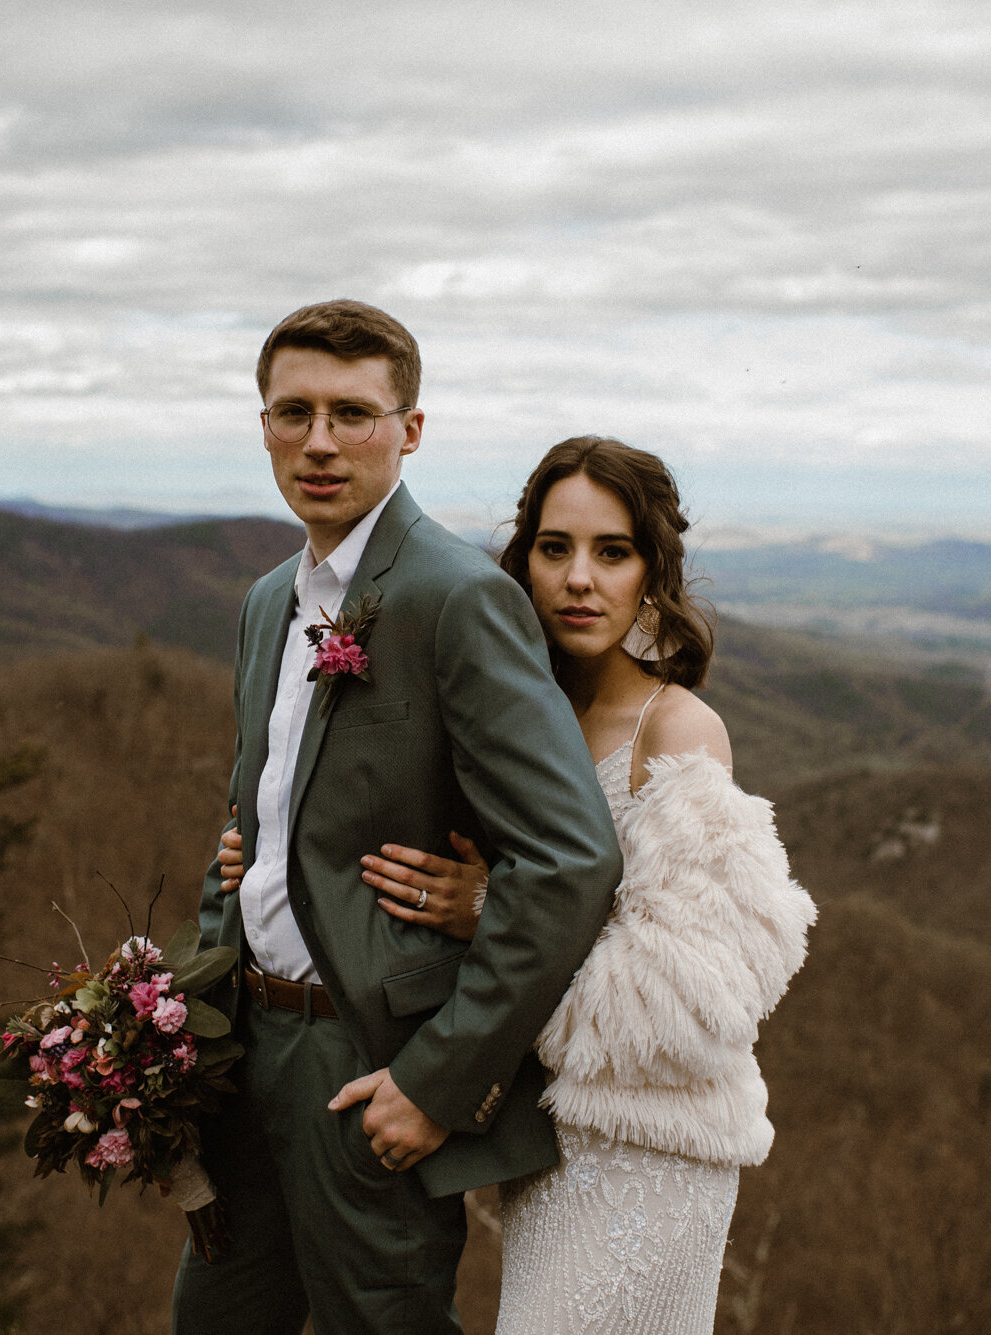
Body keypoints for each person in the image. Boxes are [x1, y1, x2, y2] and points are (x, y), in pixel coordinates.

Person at [220, 436, 815, 1333]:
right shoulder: (507, 713)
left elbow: (691, 993)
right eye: (554, 548)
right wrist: (270, 858)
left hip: (652, 1140)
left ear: (654, 572)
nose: (580, 578)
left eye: (612, 552)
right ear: (521, 561)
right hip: (542, 1137)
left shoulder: (677, 728)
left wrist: (490, 912)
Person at [170, 302, 625, 1335]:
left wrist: (437, 1080)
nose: (319, 442)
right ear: (263, 425)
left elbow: (568, 860)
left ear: (409, 429)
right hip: (246, 1054)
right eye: (293, 412)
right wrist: (192, 1031)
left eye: (352, 414)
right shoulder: (263, 603)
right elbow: (251, 824)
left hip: (362, 1064)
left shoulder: (453, 596)